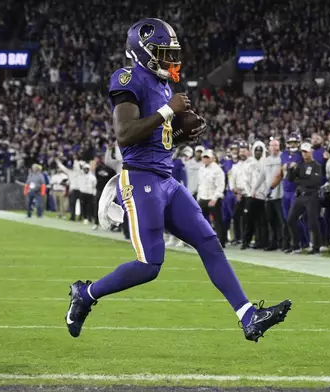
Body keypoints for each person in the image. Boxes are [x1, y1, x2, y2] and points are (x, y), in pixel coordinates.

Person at [65, 18, 291, 343]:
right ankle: (85, 294)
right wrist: (169, 112)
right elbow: (125, 134)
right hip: (141, 178)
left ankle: (248, 316)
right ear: (142, 52)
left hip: (167, 179)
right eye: (162, 52)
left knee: (210, 243)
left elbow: (159, 138)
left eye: (172, 52)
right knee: (149, 265)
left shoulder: (164, 85)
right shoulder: (127, 78)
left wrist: (183, 136)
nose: (170, 59)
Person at [285, 142, 323, 255]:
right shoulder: (300, 165)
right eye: (303, 152)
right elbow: (290, 179)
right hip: (300, 196)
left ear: (311, 152)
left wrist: (299, 180)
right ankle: (296, 245)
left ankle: (316, 247)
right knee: (291, 219)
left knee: (312, 222)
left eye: (306, 152)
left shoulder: (316, 165)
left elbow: (315, 182)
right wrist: (291, 169)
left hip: (311, 196)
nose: (304, 154)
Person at [197, 149, 226, 247]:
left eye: (207, 157)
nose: (205, 159)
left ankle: (221, 241)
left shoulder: (217, 170)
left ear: (212, 158)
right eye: (204, 157)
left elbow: (220, 186)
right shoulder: (201, 169)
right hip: (203, 197)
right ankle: (204, 239)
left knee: (218, 221)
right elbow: (200, 184)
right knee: (200, 220)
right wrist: (198, 198)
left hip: (213, 198)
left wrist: (215, 198)